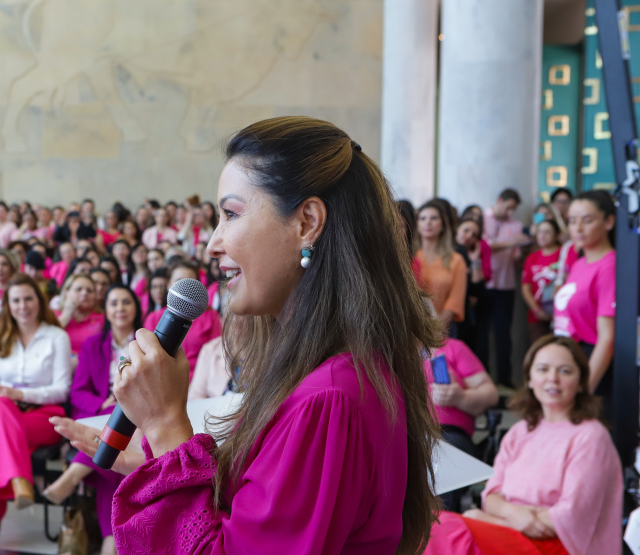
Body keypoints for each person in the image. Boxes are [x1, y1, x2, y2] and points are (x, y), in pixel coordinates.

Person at [46, 117, 442, 554]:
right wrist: (160, 462)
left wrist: (164, 425)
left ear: (307, 222)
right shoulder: (329, 373)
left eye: (231, 214)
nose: (213, 244)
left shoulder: (329, 398)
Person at [425, 336, 622, 555]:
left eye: (565, 371)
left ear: (581, 383)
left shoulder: (591, 436)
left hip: (557, 544)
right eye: (543, 369)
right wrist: (513, 515)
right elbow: (490, 496)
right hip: (510, 533)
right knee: (431, 524)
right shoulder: (519, 432)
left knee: (448, 531)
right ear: (529, 379)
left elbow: (571, 516)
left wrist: (497, 520)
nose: (552, 378)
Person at [0, 274, 72, 553]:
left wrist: (19, 394)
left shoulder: (57, 337)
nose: (22, 306)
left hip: (43, 414)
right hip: (1, 410)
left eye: (28, 298)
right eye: (16, 300)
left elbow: (61, 390)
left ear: (39, 301)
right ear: (7, 304)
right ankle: (18, 480)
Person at [43, 285, 142, 555]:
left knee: (111, 448)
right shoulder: (92, 345)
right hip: (98, 415)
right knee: (112, 455)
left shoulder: (147, 346)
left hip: (138, 417)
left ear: (135, 307)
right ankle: (113, 542)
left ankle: (72, 476)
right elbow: (78, 392)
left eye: (126, 302)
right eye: (114, 303)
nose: (120, 308)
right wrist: (103, 405)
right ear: (105, 310)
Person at [553, 190, 616, 418]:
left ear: (609, 221)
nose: (578, 228)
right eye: (572, 221)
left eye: (587, 220)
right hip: (569, 359)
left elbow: (607, 338)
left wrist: (584, 390)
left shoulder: (609, 266)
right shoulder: (580, 263)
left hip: (593, 366)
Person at [424, 337, 498, 511]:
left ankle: (440, 523)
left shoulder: (452, 348)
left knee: (444, 459)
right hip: (404, 435)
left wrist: (461, 398)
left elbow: (491, 394)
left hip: (449, 435)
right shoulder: (390, 350)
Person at [482, 189, 530, 388]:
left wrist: (521, 251)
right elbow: (485, 247)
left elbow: (516, 256)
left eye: (513, 209)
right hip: (483, 284)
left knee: (504, 334)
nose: (510, 212)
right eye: (508, 207)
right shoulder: (482, 218)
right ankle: (482, 378)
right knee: (481, 335)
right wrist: (511, 243)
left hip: (506, 284)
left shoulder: (517, 226)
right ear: (499, 200)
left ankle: (505, 379)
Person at [143, 260, 222, 376]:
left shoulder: (211, 316)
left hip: (200, 380)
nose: (186, 290)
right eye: (180, 281)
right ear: (169, 284)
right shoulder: (153, 318)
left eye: (190, 283)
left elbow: (216, 356)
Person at [415, 200, 466, 330]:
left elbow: (455, 301)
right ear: (417, 225)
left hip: (443, 328)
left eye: (434, 218)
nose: (428, 222)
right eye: (423, 218)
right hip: (412, 327)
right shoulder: (411, 257)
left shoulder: (456, 260)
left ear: (442, 225)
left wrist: (436, 329)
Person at [522, 219, 562, 343]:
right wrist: (536, 310)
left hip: (559, 315)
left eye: (547, 232)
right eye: (539, 232)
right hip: (536, 316)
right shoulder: (532, 258)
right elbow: (525, 287)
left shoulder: (564, 254)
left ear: (556, 235)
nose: (542, 235)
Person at [56, 274, 104, 355]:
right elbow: (47, 340)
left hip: (89, 361)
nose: (85, 293)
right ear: (67, 292)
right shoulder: (54, 315)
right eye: (78, 289)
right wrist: (66, 315)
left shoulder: (102, 318)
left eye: (89, 291)